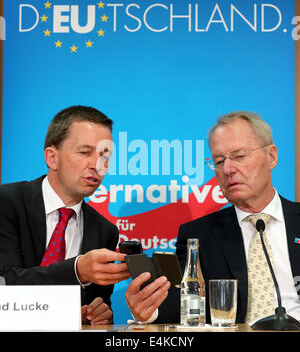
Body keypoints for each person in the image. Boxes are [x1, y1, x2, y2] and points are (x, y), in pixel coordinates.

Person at [126, 111, 300, 324]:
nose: (228, 169)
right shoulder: (199, 236)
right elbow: (179, 302)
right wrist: (147, 309)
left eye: (239, 156)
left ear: (271, 157)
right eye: (219, 161)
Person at [0, 105, 130, 325]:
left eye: (104, 156)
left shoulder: (105, 231)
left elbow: (96, 310)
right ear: (52, 158)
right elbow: (5, 283)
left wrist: (100, 315)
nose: (98, 165)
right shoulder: (6, 203)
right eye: (85, 152)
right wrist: (77, 269)